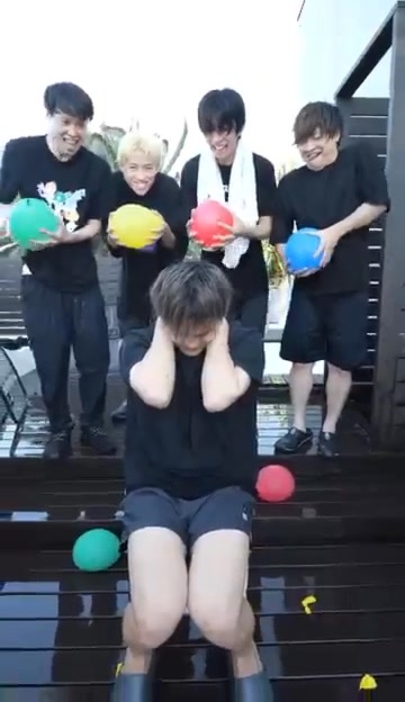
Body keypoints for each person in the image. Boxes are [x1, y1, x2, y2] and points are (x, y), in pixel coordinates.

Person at [114, 260, 272, 701]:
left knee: (218, 620)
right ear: (164, 318)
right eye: (180, 329)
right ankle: (137, 653)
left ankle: (244, 651)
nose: (189, 341)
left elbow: (218, 396)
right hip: (153, 490)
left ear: (219, 317)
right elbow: (156, 392)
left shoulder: (244, 342)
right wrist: (164, 331)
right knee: (154, 622)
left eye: (200, 330)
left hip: (223, 491)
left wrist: (217, 336)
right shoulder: (138, 343)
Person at [0, 82, 116, 459]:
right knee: (50, 363)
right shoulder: (20, 153)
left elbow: (97, 224)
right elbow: (3, 202)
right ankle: (59, 429)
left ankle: (92, 426)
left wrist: (69, 237)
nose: (73, 132)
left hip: (83, 281)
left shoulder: (97, 168)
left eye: (81, 124)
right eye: (65, 121)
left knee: (95, 360)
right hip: (40, 281)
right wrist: (12, 222)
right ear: (49, 116)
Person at [272, 101, 390, 457]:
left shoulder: (359, 160)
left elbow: (378, 203)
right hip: (308, 289)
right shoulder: (290, 183)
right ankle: (298, 427)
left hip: (351, 287)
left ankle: (329, 429)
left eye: (316, 138)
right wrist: (290, 263)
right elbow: (279, 233)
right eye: (302, 141)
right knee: (300, 360)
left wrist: (332, 234)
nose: (308, 147)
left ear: (335, 134)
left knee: (341, 363)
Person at [180, 88, 277, 336]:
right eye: (209, 131)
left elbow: (267, 225)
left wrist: (242, 230)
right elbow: (190, 224)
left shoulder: (261, 168)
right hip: (211, 281)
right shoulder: (192, 170)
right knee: (214, 347)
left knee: (250, 347)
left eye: (223, 130)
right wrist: (193, 233)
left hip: (252, 279)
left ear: (238, 127)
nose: (216, 139)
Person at [107, 131, 188, 423]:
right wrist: (112, 238)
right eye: (133, 167)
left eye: (148, 168)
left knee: (168, 339)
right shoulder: (115, 186)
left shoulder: (168, 189)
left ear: (158, 167)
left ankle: (170, 400)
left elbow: (178, 246)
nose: (141, 176)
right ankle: (132, 399)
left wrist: (164, 231)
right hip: (133, 282)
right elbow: (113, 247)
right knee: (131, 341)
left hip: (167, 282)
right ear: (122, 166)